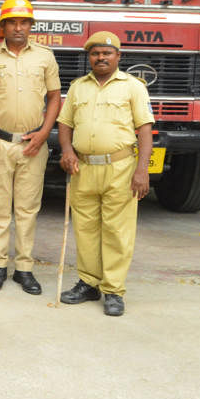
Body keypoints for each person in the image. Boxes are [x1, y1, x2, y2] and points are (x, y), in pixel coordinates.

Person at [57, 31, 153, 317]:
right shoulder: (77, 87)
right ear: (90, 57)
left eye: (107, 53)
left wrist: (142, 170)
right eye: (96, 53)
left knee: (117, 230)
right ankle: (88, 283)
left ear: (118, 57)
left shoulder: (133, 87)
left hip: (120, 168)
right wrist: (67, 151)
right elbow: (65, 124)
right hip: (83, 167)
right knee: (85, 229)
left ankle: (113, 290)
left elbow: (145, 129)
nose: (101, 58)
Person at [0, 0, 61, 295]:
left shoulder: (44, 57)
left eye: (24, 22)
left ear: (31, 26)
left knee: (27, 209)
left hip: (33, 143)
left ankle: (24, 269)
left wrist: (44, 133)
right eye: (12, 22)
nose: (18, 27)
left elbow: (54, 97)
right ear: (2, 25)